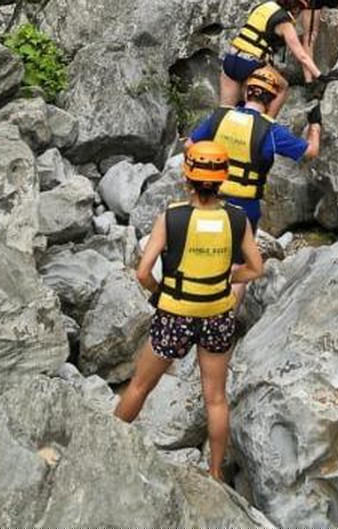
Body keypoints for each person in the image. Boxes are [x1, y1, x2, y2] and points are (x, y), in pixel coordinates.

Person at [114, 141, 262, 482]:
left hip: (175, 314)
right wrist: (225, 279)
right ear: (223, 179)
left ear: (187, 178)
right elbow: (256, 268)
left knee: (139, 386)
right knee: (216, 398)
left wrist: (162, 291)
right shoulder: (237, 219)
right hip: (217, 315)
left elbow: (142, 273)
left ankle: (106, 442)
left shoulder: (172, 217)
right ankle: (215, 473)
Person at [189, 66, 323, 240]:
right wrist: (315, 125)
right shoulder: (271, 130)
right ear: (270, 100)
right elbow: (311, 151)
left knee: (207, 245)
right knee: (239, 252)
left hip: (211, 197)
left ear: (246, 93)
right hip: (245, 205)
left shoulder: (220, 117)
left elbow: (190, 145)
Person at [220, 0, 325, 116]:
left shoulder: (265, 6)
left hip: (231, 59)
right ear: (297, 9)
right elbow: (301, 55)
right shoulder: (284, 23)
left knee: (225, 112)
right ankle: (266, 122)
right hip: (251, 63)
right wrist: (319, 75)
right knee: (283, 87)